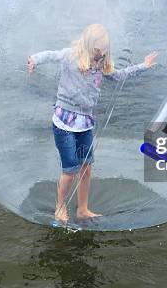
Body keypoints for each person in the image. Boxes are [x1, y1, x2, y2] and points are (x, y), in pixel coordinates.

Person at [28, 24, 158, 223]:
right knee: (70, 169)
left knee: (86, 168)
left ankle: (83, 209)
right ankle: (60, 206)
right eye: (97, 50)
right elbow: (51, 55)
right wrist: (34, 60)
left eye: (104, 50)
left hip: (85, 123)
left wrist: (143, 66)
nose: (101, 53)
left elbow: (120, 75)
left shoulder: (101, 64)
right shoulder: (71, 56)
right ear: (88, 45)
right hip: (65, 122)